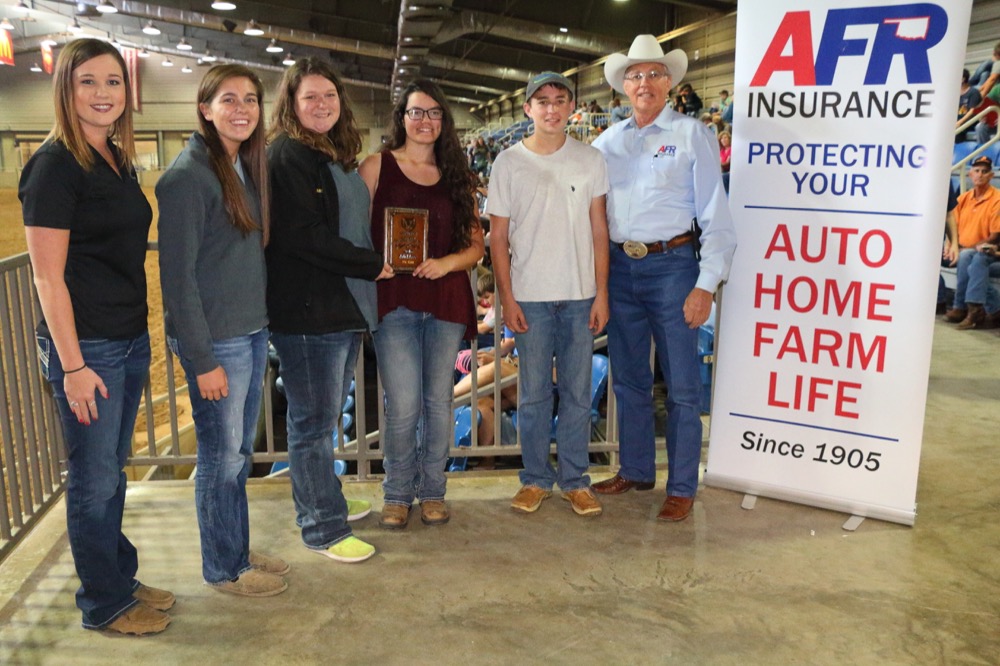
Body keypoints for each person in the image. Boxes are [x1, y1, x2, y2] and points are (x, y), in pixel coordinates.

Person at [19, 37, 171, 636]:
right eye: (89, 82)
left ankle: (119, 578)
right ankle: (103, 604)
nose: (103, 93)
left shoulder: (114, 157)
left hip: (127, 337)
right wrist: (73, 365)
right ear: (66, 90)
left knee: (111, 469)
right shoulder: (55, 165)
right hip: (90, 350)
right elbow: (46, 277)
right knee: (93, 479)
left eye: (113, 82)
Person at [591, 34, 736, 522]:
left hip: (674, 267)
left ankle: (681, 484)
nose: (644, 82)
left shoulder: (693, 134)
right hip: (621, 267)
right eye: (636, 75)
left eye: (654, 73)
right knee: (629, 378)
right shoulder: (605, 143)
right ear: (623, 87)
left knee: (681, 385)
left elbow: (716, 216)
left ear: (669, 82)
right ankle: (635, 469)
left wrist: (705, 283)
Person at [156, 64, 288, 597]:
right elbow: (178, 280)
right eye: (228, 99)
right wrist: (202, 357)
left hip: (250, 332)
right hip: (220, 341)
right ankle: (222, 567)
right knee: (220, 456)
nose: (241, 109)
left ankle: (235, 546)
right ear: (204, 108)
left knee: (237, 454)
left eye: (251, 100)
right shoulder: (187, 177)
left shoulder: (237, 168)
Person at [266, 58, 393, 564]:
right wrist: (372, 265)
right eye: (310, 97)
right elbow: (303, 237)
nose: (321, 105)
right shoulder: (286, 156)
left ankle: (327, 498)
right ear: (292, 105)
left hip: (337, 308)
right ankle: (322, 526)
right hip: (307, 313)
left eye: (329, 96)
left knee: (323, 422)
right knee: (313, 426)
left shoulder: (329, 155)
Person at [359, 79, 484, 529]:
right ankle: (396, 493)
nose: (425, 120)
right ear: (402, 118)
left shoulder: (458, 176)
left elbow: (476, 247)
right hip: (393, 302)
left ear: (443, 121)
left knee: (438, 403)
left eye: (434, 113)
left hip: (445, 300)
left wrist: (446, 263)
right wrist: (373, 264)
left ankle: (432, 490)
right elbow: (354, 233)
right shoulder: (375, 167)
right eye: (417, 112)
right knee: (405, 404)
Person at [487, 71, 610, 517]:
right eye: (543, 101)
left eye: (560, 100)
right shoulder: (507, 163)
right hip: (532, 297)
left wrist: (602, 294)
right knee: (535, 394)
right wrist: (509, 298)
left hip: (580, 296)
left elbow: (600, 229)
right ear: (528, 109)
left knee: (578, 394)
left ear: (571, 108)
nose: (552, 108)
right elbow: (498, 238)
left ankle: (575, 479)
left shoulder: (590, 159)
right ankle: (536, 478)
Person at [944, 156, 1000, 329]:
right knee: (968, 260)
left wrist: (962, 248)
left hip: (988, 253)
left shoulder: (997, 199)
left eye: (984, 172)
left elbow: (994, 236)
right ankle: (990, 308)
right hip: (966, 250)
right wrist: (950, 244)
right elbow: (952, 225)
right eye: (976, 171)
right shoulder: (963, 199)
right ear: (970, 174)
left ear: (991, 176)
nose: (980, 175)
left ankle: (964, 307)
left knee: (970, 258)